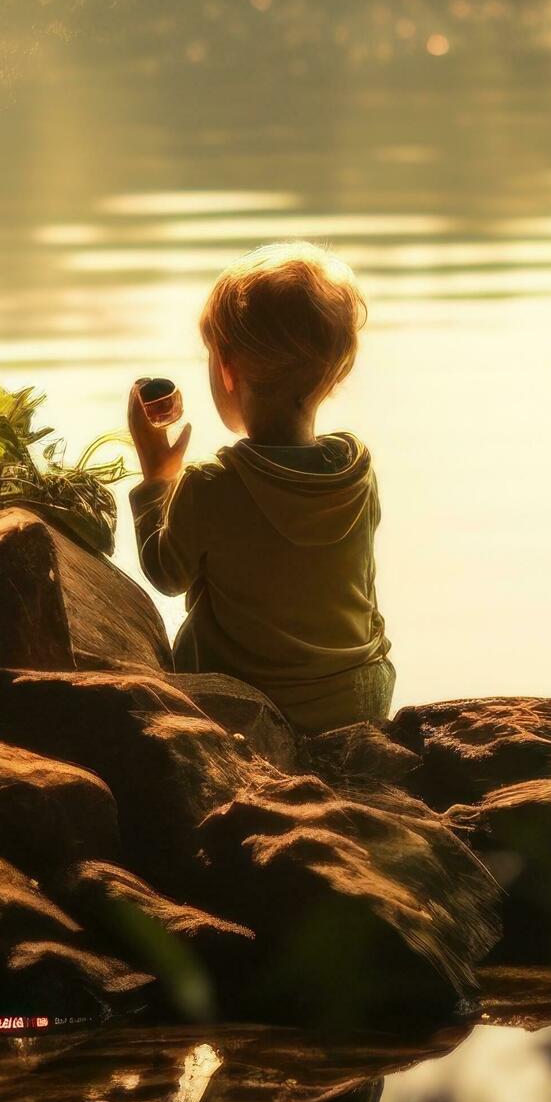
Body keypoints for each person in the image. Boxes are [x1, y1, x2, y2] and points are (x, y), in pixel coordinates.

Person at [128, 242, 394, 733]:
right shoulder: (357, 472)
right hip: (358, 696)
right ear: (334, 375)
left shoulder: (211, 483)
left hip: (252, 705)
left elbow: (167, 573)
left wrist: (156, 477)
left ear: (228, 370)